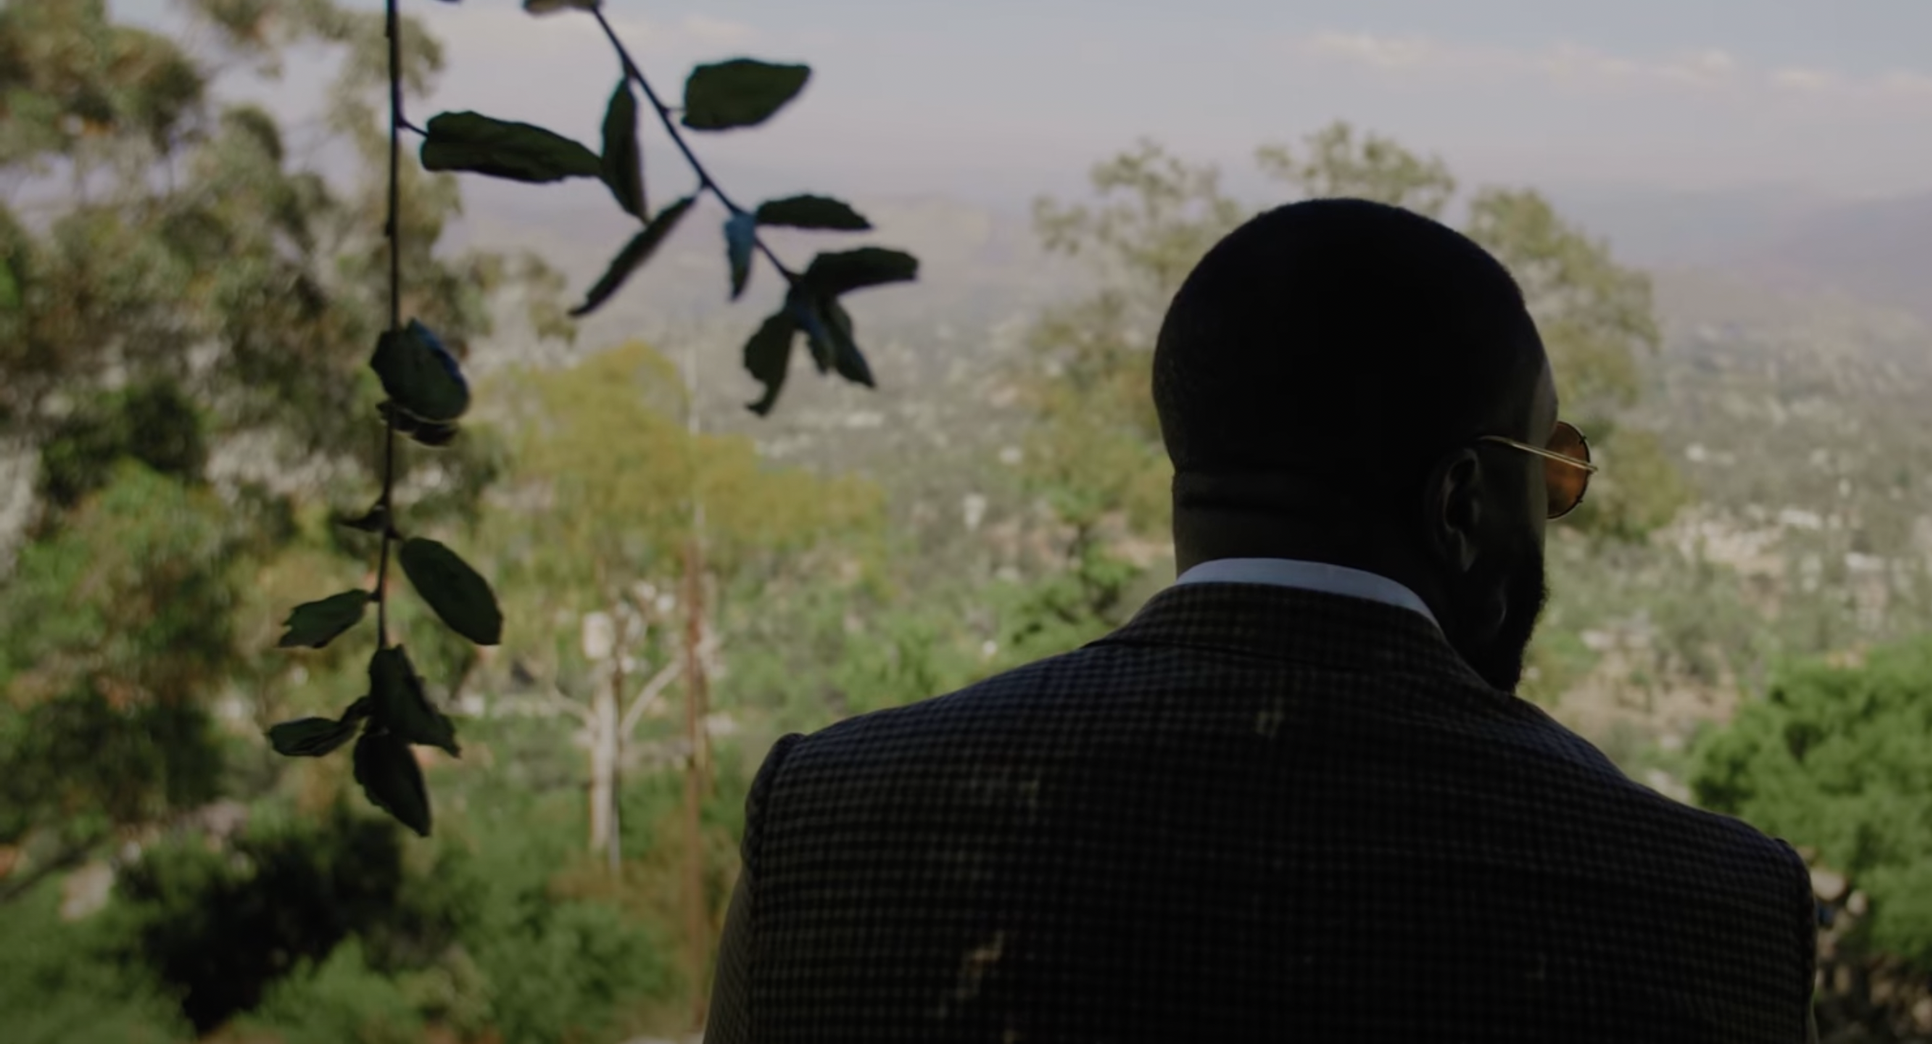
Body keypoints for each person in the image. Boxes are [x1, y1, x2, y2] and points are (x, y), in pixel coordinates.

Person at [704, 198, 1821, 1043]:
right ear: (1461, 503)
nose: (1557, 511)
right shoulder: (1714, 910)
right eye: (1552, 473)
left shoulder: (830, 820)